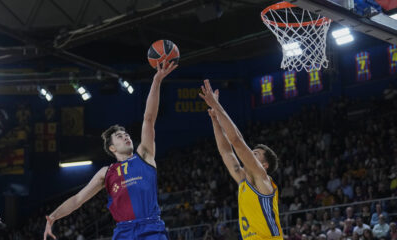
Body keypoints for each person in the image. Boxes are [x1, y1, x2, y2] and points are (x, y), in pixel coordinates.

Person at [43, 60, 177, 240]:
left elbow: (149, 118)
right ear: (112, 147)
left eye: (126, 134)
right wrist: (53, 217)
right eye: (120, 136)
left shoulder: (144, 155)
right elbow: (77, 200)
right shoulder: (106, 173)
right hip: (123, 232)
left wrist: (157, 81)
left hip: (151, 227)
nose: (126, 136)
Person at [200, 79, 283, 239]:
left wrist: (217, 106)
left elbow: (237, 141)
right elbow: (226, 152)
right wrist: (215, 121)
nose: (250, 155)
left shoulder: (261, 177)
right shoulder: (243, 180)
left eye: (255, 154)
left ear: (264, 165)